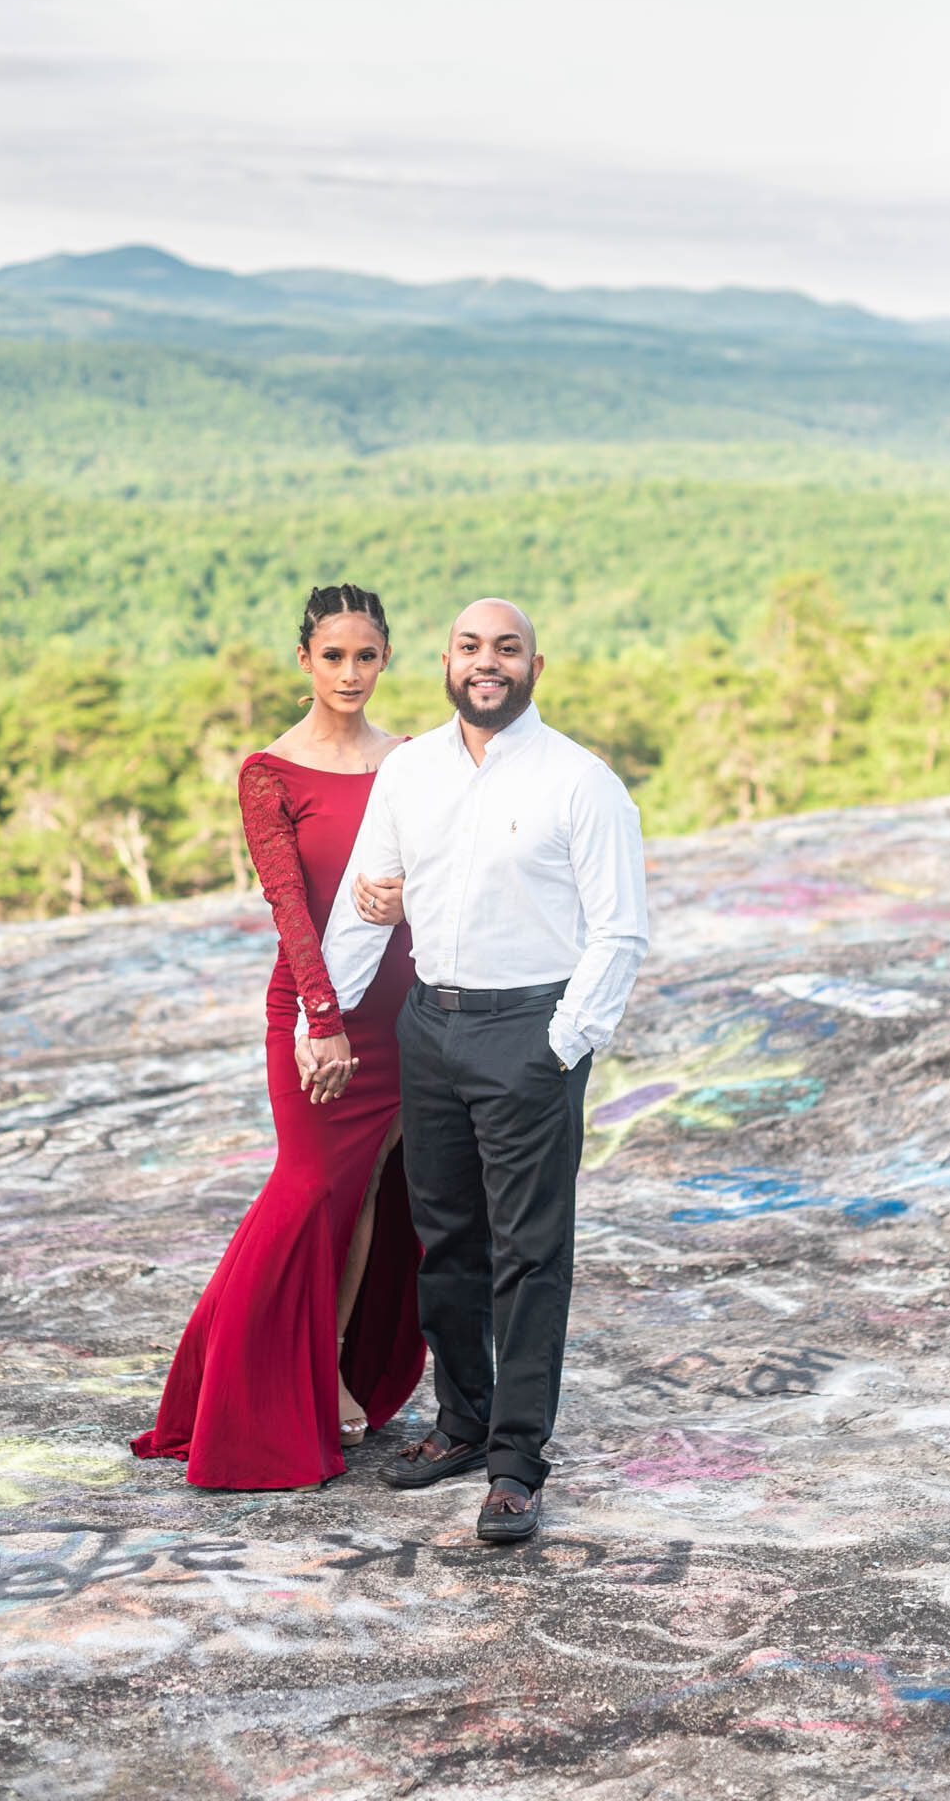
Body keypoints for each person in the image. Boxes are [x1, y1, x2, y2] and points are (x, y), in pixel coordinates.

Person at [307, 597, 648, 1541]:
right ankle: (460, 1423)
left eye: (506, 648)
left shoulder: (581, 782)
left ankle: (515, 1462)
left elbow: (619, 929)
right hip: (431, 1024)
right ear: (445, 662)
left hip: (528, 1031)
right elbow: (364, 904)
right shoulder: (410, 771)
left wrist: (559, 1045)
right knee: (446, 1242)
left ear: (537, 666)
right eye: (470, 647)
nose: (485, 662)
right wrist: (324, 1015)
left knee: (529, 1255)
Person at [130, 583, 425, 1490]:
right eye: (333, 656)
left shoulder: (414, 762)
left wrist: (412, 895)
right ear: (304, 661)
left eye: (365, 656)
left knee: (371, 1193)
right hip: (316, 1012)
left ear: (385, 660)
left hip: (406, 1005)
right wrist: (323, 1021)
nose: (350, 672)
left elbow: (452, 871)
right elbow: (288, 904)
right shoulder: (271, 772)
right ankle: (240, 1402)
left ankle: (331, 1371)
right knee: (305, 1191)